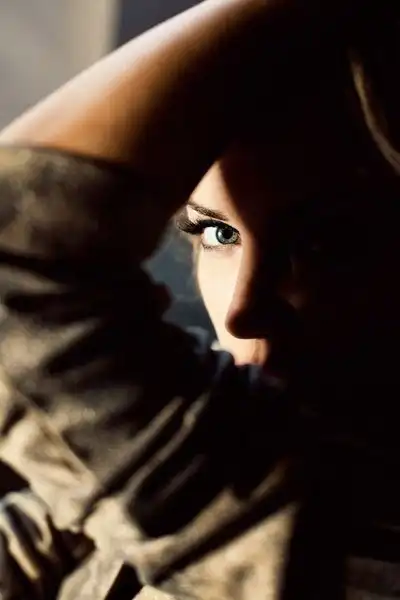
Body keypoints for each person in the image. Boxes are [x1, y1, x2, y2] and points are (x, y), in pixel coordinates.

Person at [0, 1, 398, 599]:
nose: (243, 307)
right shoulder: (207, 455)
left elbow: (14, 263)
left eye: (326, 243)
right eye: (216, 232)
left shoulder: (332, 540)